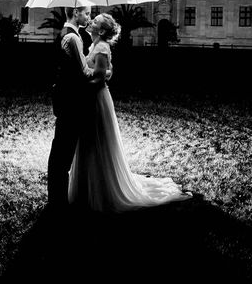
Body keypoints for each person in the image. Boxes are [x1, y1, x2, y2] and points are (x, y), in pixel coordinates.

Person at [68, 13, 192, 213]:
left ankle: (100, 189)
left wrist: (78, 89)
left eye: (96, 21)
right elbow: (104, 71)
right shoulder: (94, 46)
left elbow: (99, 78)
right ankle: (89, 186)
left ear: (100, 31)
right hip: (94, 98)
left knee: (96, 140)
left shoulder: (100, 47)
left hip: (95, 99)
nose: (91, 21)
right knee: (89, 142)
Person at [47, 6, 112, 212]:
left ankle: (58, 198)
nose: (89, 17)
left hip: (67, 99)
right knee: (63, 153)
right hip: (71, 102)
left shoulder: (66, 34)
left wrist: (101, 71)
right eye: (87, 13)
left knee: (62, 150)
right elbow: (84, 73)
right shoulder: (73, 38)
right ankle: (58, 201)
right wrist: (105, 73)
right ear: (76, 12)